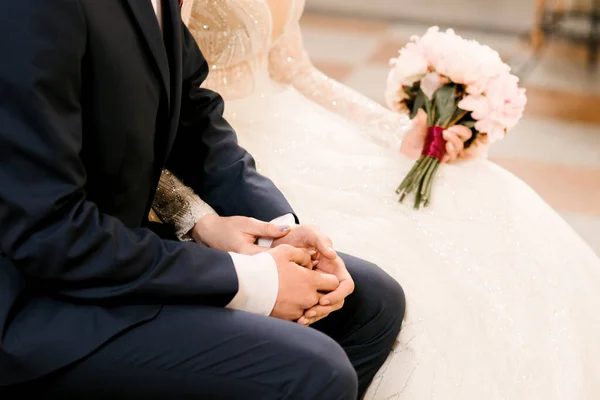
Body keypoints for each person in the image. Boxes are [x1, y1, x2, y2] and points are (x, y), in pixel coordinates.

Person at [154, 0, 600, 398]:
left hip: (281, 123)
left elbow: (293, 69)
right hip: (218, 148)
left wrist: (400, 132)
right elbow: (163, 107)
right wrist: (198, 216)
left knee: (482, 197)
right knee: (412, 282)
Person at [0, 0, 406, 398]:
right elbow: (49, 232)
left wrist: (278, 232)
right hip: (31, 300)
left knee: (371, 302)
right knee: (317, 371)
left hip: (107, 248)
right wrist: (248, 278)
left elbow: (195, 116)